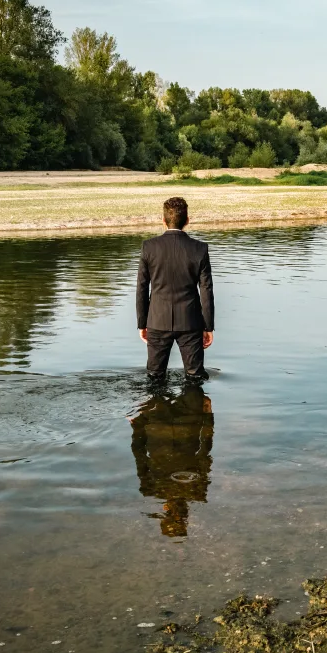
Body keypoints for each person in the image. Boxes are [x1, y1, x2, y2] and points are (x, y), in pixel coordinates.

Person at [135, 197, 215, 380]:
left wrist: (142, 323)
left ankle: (155, 406)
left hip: (156, 321)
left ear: (163, 221)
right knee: (195, 377)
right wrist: (208, 326)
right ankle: (195, 407)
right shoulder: (200, 249)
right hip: (190, 322)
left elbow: (141, 288)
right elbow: (206, 290)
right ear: (187, 221)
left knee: (155, 377)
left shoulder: (149, 247)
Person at [129, 384, 214, 537]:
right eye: (180, 518)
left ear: (165, 511)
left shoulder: (149, 489)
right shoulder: (198, 493)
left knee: (155, 384)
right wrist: (208, 417)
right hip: (189, 420)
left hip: (158, 423)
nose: (178, 513)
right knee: (192, 384)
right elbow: (205, 454)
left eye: (174, 517)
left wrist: (138, 426)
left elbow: (139, 455)